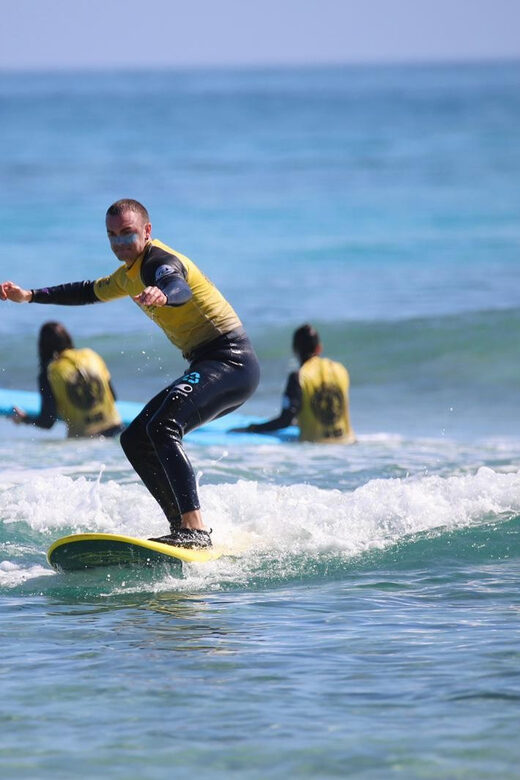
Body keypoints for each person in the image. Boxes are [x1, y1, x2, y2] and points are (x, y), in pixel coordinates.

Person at [1, 199, 260, 548]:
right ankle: (182, 529)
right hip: (208, 364)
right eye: (112, 235)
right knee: (135, 438)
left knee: (163, 427)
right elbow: (86, 291)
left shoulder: (159, 263)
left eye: (127, 233)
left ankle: (195, 529)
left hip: (231, 362)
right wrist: (30, 296)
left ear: (147, 231)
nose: (120, 242)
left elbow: (178, 286)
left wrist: (164, 295)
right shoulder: (128, 275)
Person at [231, 324, 355, 444]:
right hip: (348, 445)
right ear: (319, 348)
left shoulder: (299, 376)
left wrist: (252, 428)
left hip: (316, 448)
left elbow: (285, 420)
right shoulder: (340, 370)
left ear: (295, 350)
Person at [12, 321, 123, 438]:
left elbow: (47, 421)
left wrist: (24, 419)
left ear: (43, 347)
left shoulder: (50, 373)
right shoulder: (91, 355)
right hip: (117, 431)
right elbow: (113, 397)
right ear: (68, 338)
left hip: (85, 440)